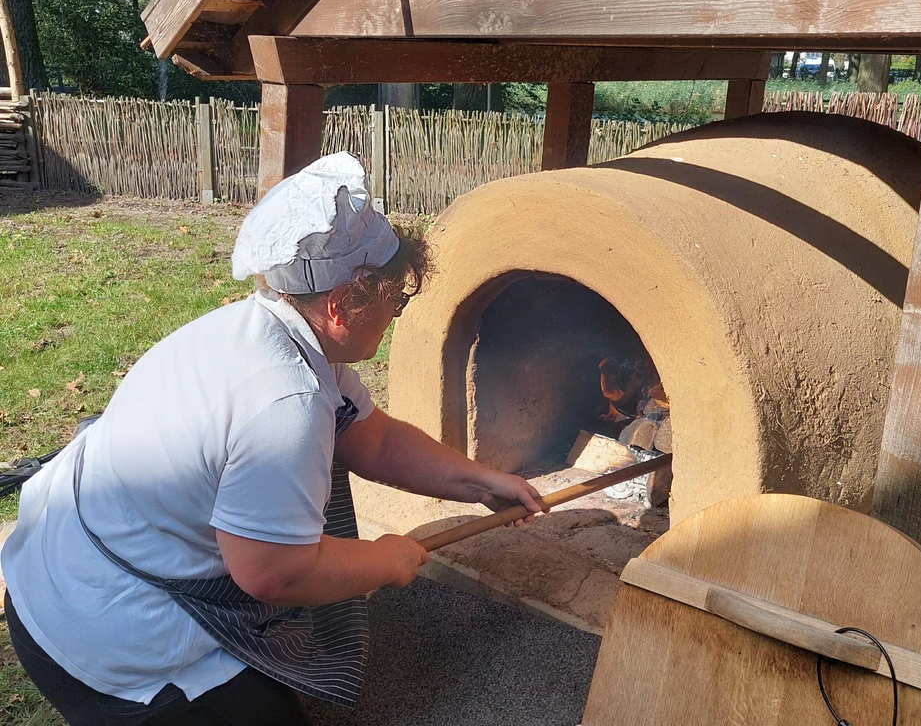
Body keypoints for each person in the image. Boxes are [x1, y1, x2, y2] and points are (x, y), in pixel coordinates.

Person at [1, 153, 544, 725]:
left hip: (72, 562)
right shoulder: (285, 403)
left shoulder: (278, 332)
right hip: (96, 629)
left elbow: (374, 441)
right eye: (395, 299)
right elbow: (273, 572)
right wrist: (385, 560)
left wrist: (478, 480)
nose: (397, 314)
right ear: (342, 304)